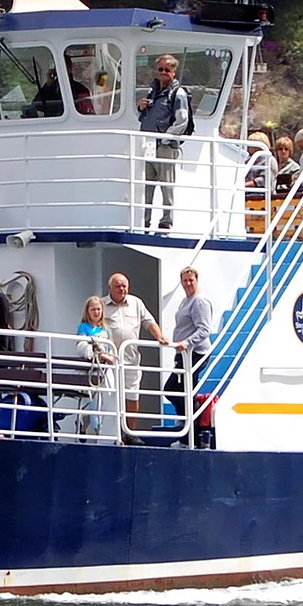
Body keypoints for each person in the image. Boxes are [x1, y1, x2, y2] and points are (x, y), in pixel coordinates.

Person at [102, 271, 169, 442]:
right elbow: (91, 324)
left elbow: (149, 322)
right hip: (109, 362)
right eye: (118, 286)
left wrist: (159, 336)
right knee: (109, 397)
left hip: (131, 360)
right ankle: (108, 431)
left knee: (132, 396)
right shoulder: (101, 305)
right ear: (110, 287)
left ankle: (130, 433)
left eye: (124, 286)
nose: (122, 289)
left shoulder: (136, 303)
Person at [137, 53, 191, 230]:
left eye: (167, 69)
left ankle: (166, 221)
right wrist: (141, 108)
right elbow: (146, 117)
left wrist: (166, 138)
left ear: (174, 71)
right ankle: (145, 219)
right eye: (160, 69)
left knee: (166, 185)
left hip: (165, 146)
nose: (163, 72)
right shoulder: (154, 91)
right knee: (148, 185)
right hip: (150, 144)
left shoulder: (178, 93)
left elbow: (182, 120)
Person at [166, 266, 215, 446]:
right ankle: (187, 426)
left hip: (195, 353)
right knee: (181, 392)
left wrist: (186, 343)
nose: (187, 283)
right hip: (184, 354)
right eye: (185, 280)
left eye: (191, 280)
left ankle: (189, 436)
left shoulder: (199, 301)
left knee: (173, 389)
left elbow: (204, 329)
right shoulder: (185, 301)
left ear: (197, 280)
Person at [75, 295, 117, 439]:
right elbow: (81, 347)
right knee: (94, 400)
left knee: (109, 396)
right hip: (91, 369)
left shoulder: (106, 328)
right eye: (93, 309)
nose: (96, 312)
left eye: (98, 309)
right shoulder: (83, 327)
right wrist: (98, 355)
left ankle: (100, 427)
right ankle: (93, 427)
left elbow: (111, 347)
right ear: (88, 311)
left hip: (106, 369)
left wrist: (111, 356)